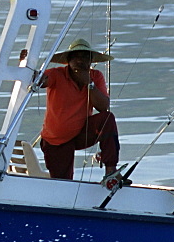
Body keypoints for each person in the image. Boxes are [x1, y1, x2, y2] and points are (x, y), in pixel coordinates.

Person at [38, 37, 119, 181]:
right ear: (68, 60)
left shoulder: (95, 76)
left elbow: (103, 107)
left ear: (91, 60)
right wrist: (37, 77)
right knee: (63, 182)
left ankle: (111, 171)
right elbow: (43, 80)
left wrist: (89, 83)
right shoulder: (57, 74)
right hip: (56, 140)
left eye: (85, 57)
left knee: (107, 118)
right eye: (76, 56)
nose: (80, 60)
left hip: (81, 133)